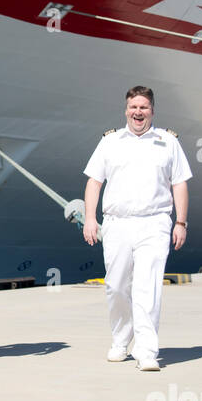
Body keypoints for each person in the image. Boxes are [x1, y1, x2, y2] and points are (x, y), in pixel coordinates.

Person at [82, 86, 191, 371]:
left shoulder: (168, 142)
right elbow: (94, 181)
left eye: (143, 107)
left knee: (148, 287)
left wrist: (181, 222)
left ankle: (146, 350)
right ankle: (121, 339)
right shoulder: (110, 142)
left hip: (154, 222)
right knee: (116, 286)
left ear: (152, 110)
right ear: (126, 110)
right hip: (117, 223)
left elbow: (179, 183)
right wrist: (90, 218)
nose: (138, 112)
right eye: (133, 107)